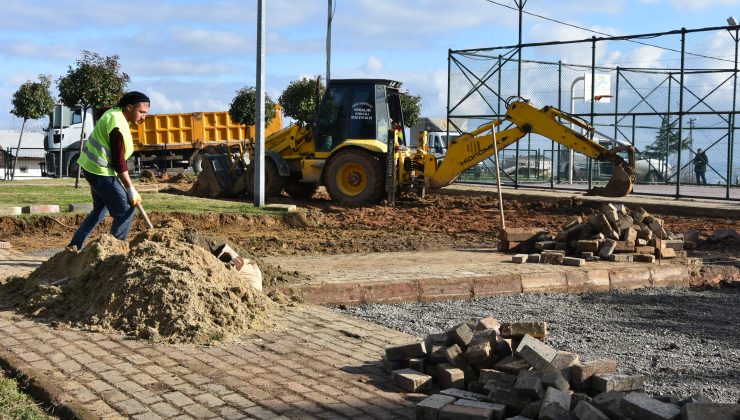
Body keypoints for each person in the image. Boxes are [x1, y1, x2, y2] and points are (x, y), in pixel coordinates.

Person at [68, 92, 150, 250]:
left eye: (145, 113)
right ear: (129, 107)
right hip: (99, 172)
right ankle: (114, 251)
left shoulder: (115, 115)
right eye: (141, 112)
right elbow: (119, 162)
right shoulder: (116, 123)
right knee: (125, 210)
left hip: (93, 168)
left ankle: (74, 246)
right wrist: (130, 188)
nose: (143, 117)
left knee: (100, 208)